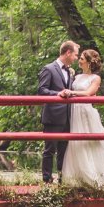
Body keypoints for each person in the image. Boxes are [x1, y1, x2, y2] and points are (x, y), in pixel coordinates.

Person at [60, 50, 104, 189]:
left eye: (81, 58)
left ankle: (96, 179)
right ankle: (79, 179)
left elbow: (89, 93)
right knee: (77, 142)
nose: (79, 60)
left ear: (88, 62)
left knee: (92, 142)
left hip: (86, 112)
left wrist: (72, 93)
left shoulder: (95, 78)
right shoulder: (76, 76)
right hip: (75, 111)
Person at [36, 40, 79, 183]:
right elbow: (42, 91)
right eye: (75, 55)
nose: (76, 58)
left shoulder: (70, 71)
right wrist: (58, 94)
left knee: (64, 151)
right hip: (53, 116)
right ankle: (47, 180)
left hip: (67, 116)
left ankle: (62, 179)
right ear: (68, 53)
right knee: (49, 150)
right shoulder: (49, 69)